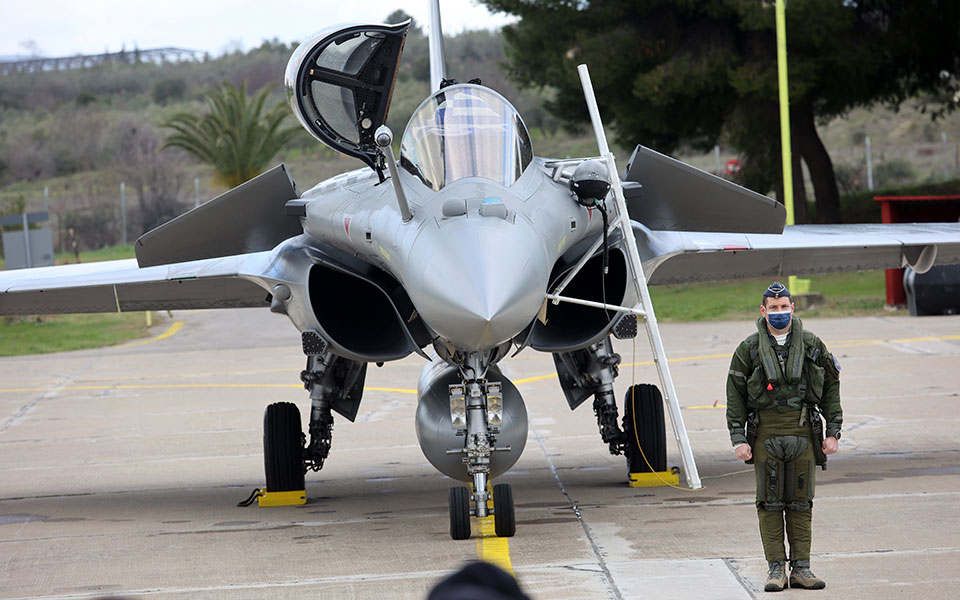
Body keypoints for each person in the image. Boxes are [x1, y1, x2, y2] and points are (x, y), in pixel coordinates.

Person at [726, 282, 843, 592]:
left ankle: (801, 569)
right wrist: (738, 438)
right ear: (763, 311)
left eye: (784, 307)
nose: (779, 313)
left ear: (794, 308)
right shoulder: (749, 349)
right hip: (765, 435)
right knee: (769, 503)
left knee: (802, 503)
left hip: (803, 434)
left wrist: (833, 431)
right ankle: (776, 569)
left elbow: (831, 386)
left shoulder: (812, 344)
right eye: (773, 308)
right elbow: (735, 394)